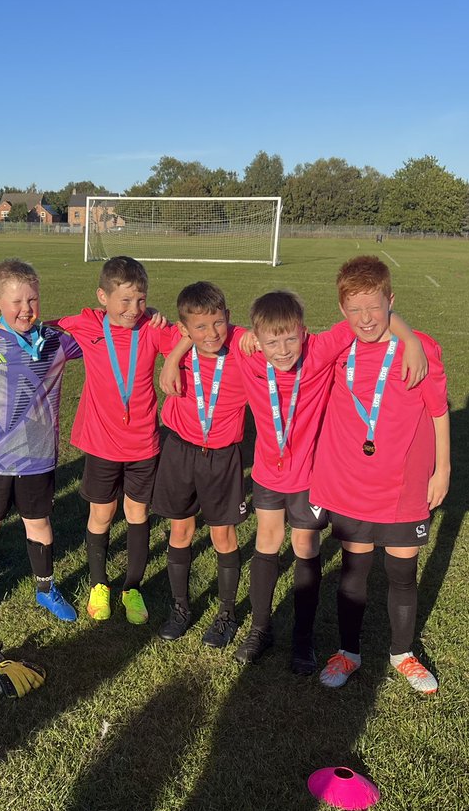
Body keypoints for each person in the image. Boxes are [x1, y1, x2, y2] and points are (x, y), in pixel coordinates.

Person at [165, 289, 427, 668]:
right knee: (267, 541)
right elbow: (204, 330)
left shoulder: (320, 350)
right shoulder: (244, 346)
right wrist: (173, 360)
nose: (283, 349)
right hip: (269, 472)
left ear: (305, 333)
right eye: (272, 340)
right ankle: (260, 630)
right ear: (257, 336)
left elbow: (370, 319)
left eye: (291, 338)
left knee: (305, 545)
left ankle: (303, 639)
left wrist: (412, 340)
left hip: (310, 475)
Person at [308, 256, 449, 694]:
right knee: (354, 569)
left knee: (402, 573)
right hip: (351, 482)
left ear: (391, 300)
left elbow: (439, 410)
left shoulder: (420, 347)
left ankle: (402, 654)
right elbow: (290, 348)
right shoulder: (337, 348)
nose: (365, 318)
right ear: (342, 310)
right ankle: (348, 652)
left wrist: (442, 468)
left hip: (405, 483)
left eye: (374, 306)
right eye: (354, 309)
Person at [0, 258, 83, 629]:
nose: (26, 309)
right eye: (16, 302)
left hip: (37, 457)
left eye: (33, 300)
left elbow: (104, 334)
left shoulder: (56, 341)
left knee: (38, 522)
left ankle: (45, 588)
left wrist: (147, 312)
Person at [55, 256, 174, 625]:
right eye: (124, 301)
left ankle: (132, 587)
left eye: (140, 300)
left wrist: (173, 359)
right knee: (102, 514)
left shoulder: (152, 328)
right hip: (103, 444)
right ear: (102, 298)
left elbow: (193, 334)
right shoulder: (88, 324)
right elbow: (32, 325)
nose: (133, 309)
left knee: (137, 513)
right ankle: (98, 584)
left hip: (142, 444)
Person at [149, 282, 250, 646]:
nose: (212, 334)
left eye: (218, 323)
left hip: (222, 456)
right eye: (201, 327)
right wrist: (175, 355)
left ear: (229, 319)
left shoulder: (243, 345)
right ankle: (180, 608)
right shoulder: (174, 340)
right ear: (184, 330)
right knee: (181, 531)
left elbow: (286, 335)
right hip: (179, 450)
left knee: (222, 534)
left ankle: (226, 615)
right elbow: (123, 318)